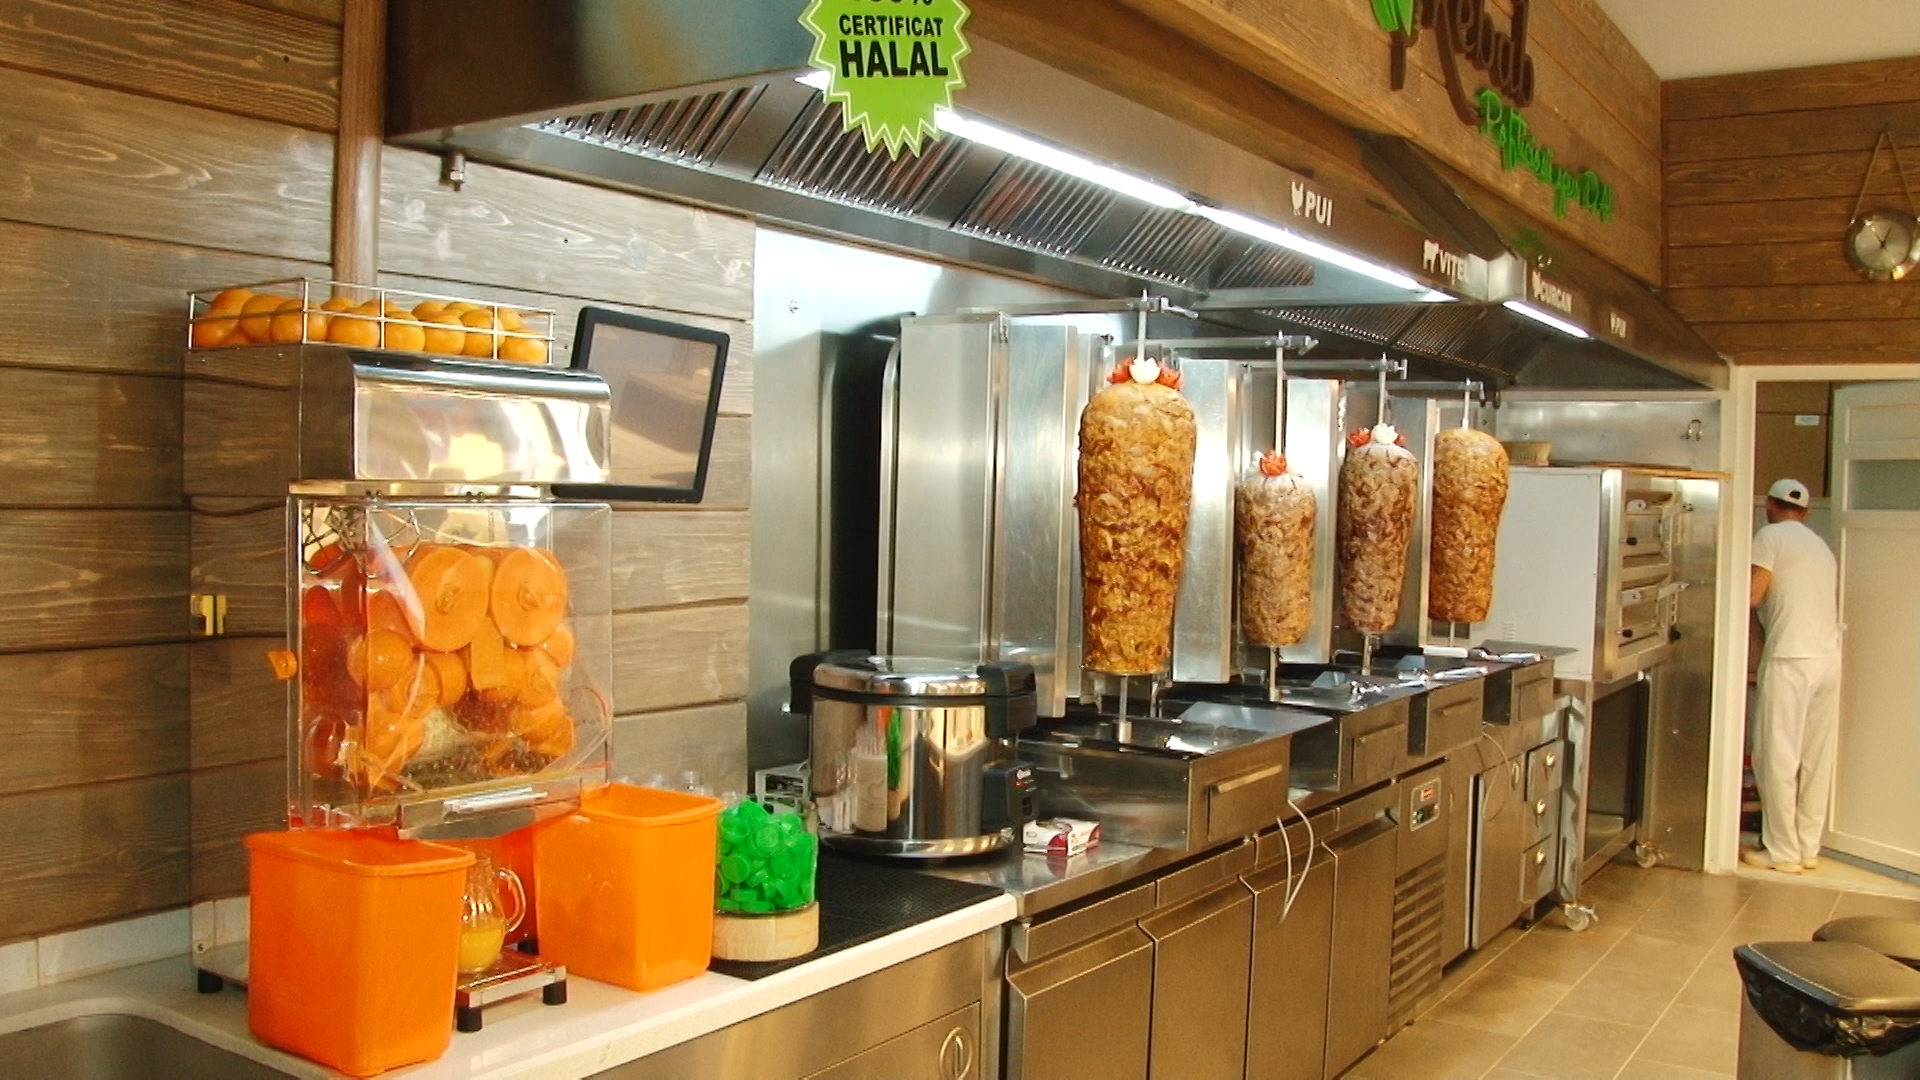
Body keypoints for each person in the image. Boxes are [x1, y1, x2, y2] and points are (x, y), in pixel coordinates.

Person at [1743, 478, 1843, 875]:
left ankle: (1782, 852)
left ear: (1769, 505)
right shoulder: (1820, 546)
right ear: (1806, 511)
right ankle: (1807, 847)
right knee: (1815, 757)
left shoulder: (1769, 536)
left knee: (1776, 755)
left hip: (1790, 659)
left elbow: (1753, 595)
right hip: (1828, 659)